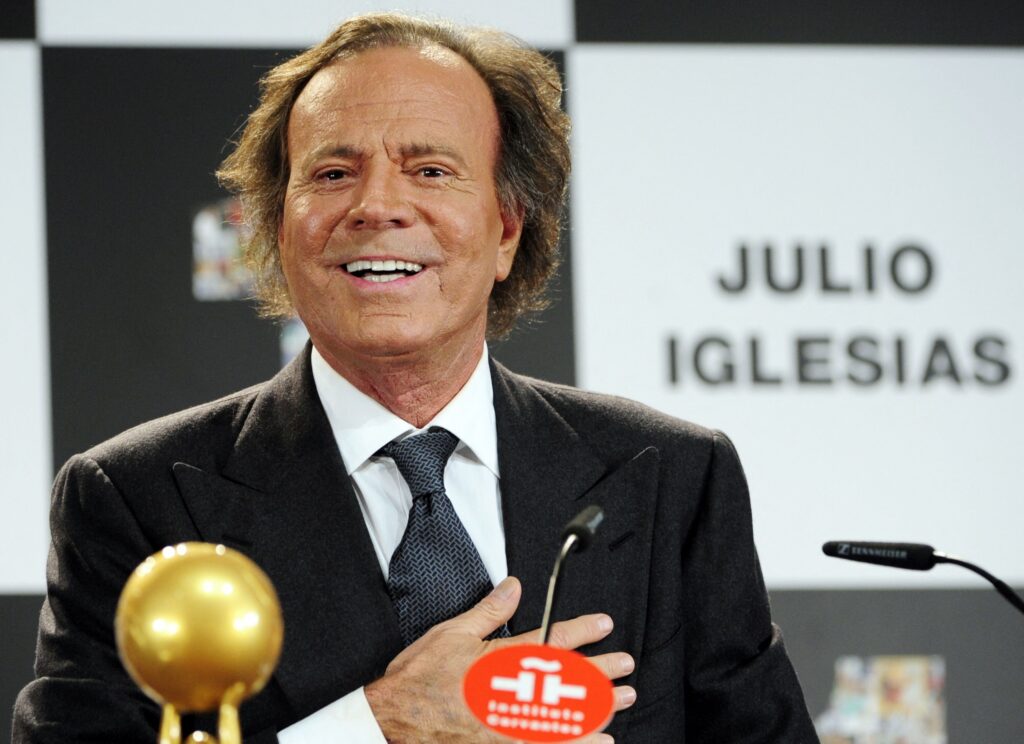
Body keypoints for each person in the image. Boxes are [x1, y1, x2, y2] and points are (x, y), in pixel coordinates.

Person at [14, 12, 817, 743]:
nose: (377, 206)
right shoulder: (134, 499)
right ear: (279, 230)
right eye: (333, 174)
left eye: (430, 170)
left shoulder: (673, 477)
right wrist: (376, 724)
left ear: (507, 231)